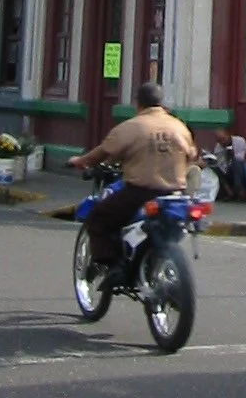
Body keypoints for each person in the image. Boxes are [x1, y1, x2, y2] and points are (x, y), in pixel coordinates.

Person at [69, 82, 197, 285]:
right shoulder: (179, 126)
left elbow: (102, 152)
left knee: (98, 217)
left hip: (140, 193)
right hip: (175, 195)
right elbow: (191, 155)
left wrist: (80, 161)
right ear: (160, 103)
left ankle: (109, 265)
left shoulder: (131, 127)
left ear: (138, 103)